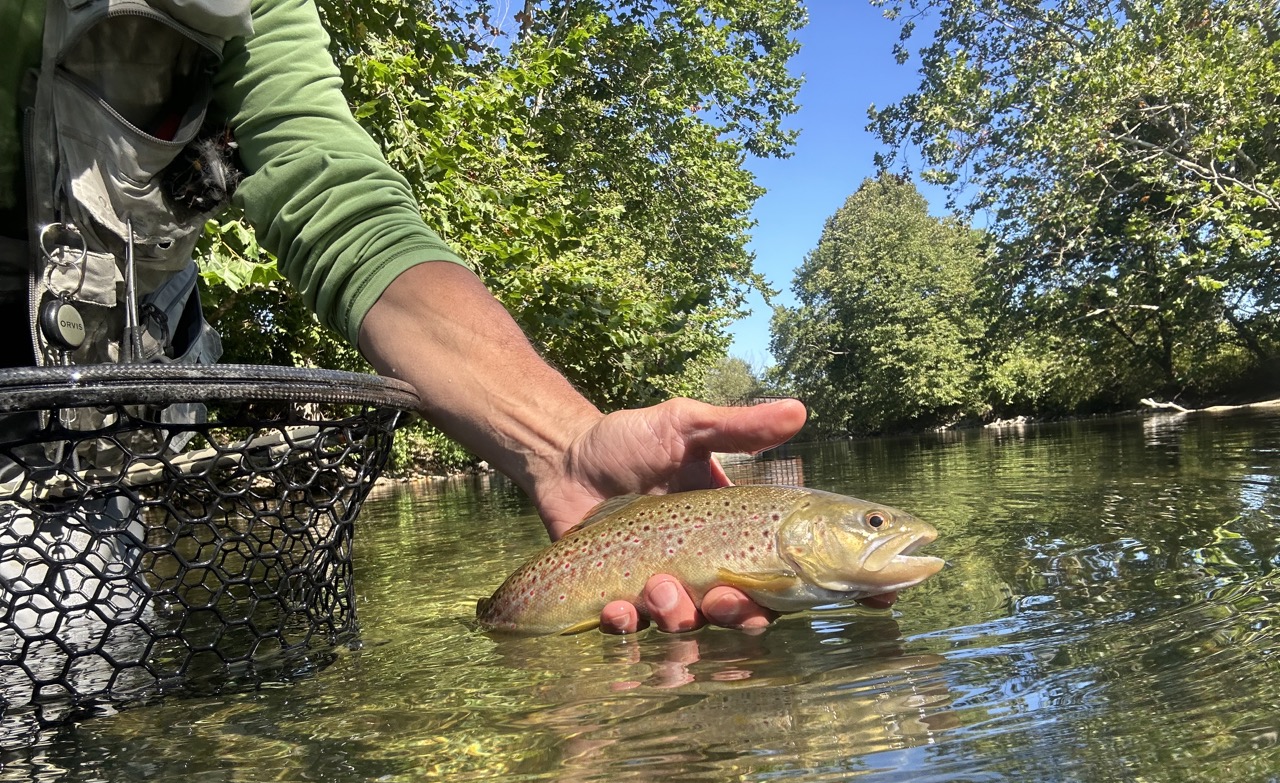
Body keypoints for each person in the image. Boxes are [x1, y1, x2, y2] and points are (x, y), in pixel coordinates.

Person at [1, 0, 888, 638]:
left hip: (95, 380)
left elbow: (340, 209)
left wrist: (566, 444)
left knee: (94, 652)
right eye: (872, 529)